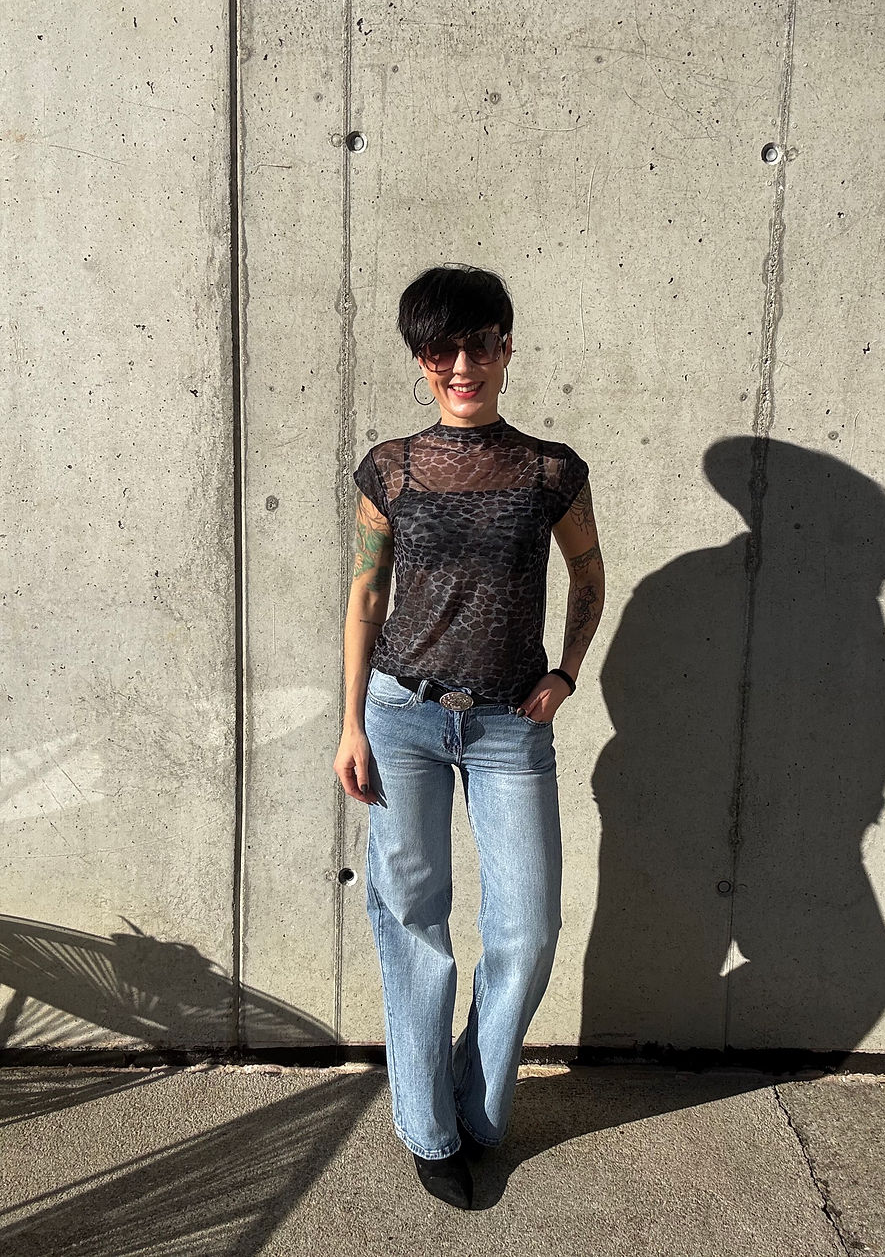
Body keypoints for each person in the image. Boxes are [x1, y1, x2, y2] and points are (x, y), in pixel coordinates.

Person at [333, 264, 604, 1209]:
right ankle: (429, 1125)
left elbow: (589, 576)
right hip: (401, 716)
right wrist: (350, 721)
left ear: (505, 346)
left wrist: (566, 673)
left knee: (527, 927)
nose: (460, 365)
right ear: (421, 359)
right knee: (413, 921)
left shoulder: (550, 471)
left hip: (506, 727)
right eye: (440, 349)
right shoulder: (392, 468)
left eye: (478, 344)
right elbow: (366, 597)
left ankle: (478, 1106)